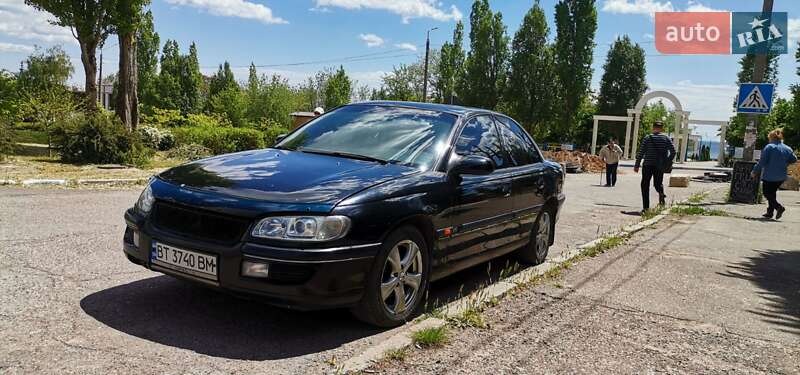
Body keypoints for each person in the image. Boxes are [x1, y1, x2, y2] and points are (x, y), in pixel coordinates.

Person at [751, 128, 797, 220]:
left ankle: (779, 207)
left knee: (767, 193)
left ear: (771, 137)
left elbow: (762, 162)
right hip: (781, 176)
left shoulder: (769, 147)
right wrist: (785, 162)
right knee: (772, 193)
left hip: (769, 175)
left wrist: (754, 171)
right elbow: (794, 159)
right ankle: (770, 212)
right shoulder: (787, 148)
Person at [634, 121, 676, 214]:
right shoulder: (666, 138)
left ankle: (646, 208)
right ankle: (661, 195)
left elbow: (641, 152)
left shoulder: (647, 138)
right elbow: (673, 152)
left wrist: (637, 165)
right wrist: (667, 161)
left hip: (647, 165)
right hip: (660, 166)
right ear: (662, 129)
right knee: (658, 184)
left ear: (653, 128)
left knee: (645, 185)